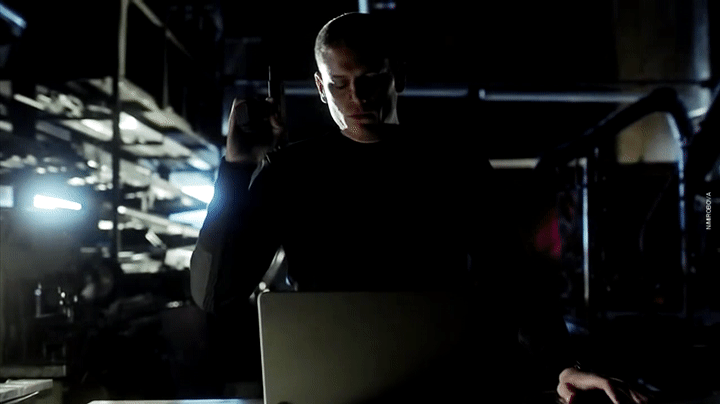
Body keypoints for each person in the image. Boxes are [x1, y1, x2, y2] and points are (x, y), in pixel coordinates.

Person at [191, 12, 648, 404]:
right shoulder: (289, 172)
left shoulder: (455, 166)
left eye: (371, 80)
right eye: (339, 84)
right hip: (331, 392)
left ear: (399, 76)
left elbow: (512, 276)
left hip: (441, 388)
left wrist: (563, 366)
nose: (357, 98)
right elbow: (215, 295)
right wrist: (235, 167)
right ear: (320, 88)